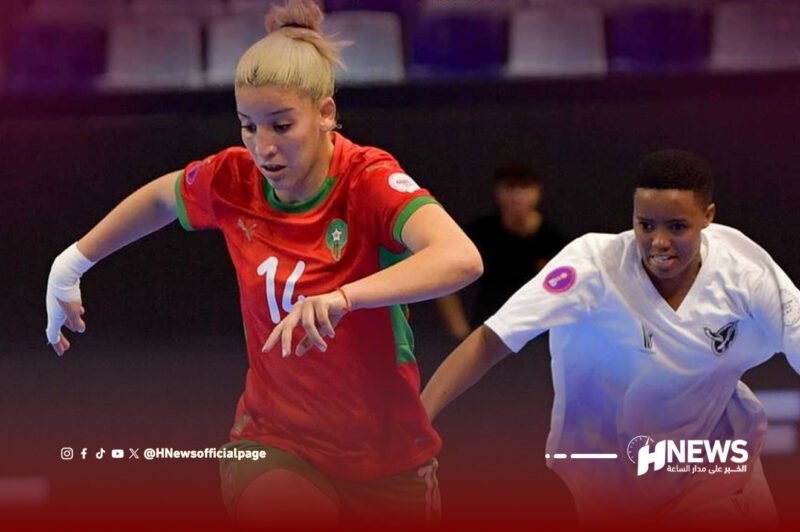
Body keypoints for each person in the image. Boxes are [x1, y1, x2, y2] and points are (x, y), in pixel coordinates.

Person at [44, 1, 482, 529]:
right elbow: (161, 199)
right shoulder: (234, 179)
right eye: (248, 127)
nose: (263, 148)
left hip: (386, 454)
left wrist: (345, 297)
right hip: (275, 440)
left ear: (325, 113)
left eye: (281, 125)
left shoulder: (366, 179)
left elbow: (461, 258)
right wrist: (71, 263)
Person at [422, 150, 797, 529]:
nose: (659, 242)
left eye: (677, 227)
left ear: (708, 217)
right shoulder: (592, 266)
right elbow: (491, 339)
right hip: (610, 471)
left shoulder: (744, 271)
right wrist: (418, 421)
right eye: (645, 225)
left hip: (717, 459)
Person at [436, 163, 565, 340]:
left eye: (524, 188)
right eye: (510, 188)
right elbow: (445, 275)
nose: (517, 196)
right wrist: (459, 330)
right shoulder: (481, 233)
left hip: (536, 335)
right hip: (487, 332)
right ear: (498, 191)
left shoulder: (553, 240)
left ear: (537, 192)